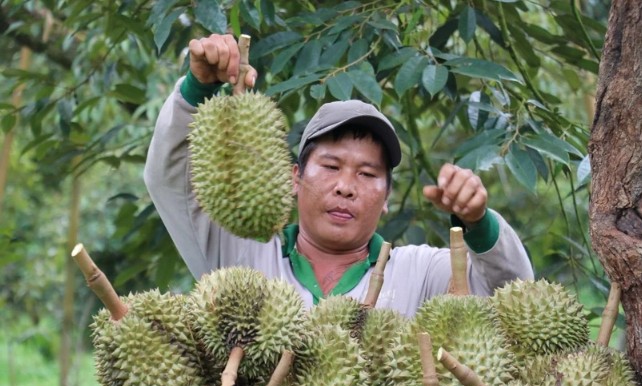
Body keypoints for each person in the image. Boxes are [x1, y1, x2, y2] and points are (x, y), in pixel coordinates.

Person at [144, 34, 533, 317]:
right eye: (330, 167)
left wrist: (477, 223)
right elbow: (171, 181)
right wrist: (198, 89)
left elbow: (512, 296)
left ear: (386, 200)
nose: (346, 187)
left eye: (367, 174)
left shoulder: (420, 273)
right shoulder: (240, 256)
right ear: (294, 178)